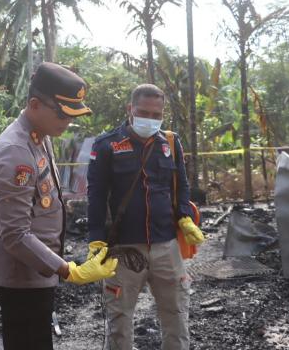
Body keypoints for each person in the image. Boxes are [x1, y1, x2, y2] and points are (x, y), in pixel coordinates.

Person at [0, 62, 118, 350]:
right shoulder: (16, 151)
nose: (67, 122)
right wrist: (69, 270)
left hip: (33, 271)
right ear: (34, 104)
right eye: (63, 114)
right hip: (20, 276)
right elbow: (16, 235)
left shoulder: (39, 137)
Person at [87, 83, 205, 350]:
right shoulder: (106, 145)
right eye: (144, 112)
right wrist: (95, 240)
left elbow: (182, 185)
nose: (150, 119)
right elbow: (95, 196)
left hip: (166, 245)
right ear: (130, 109)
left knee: (176, 315)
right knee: (119, 320)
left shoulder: (170, 143)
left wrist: (185, 217)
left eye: (156, 115)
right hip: (124, 249)